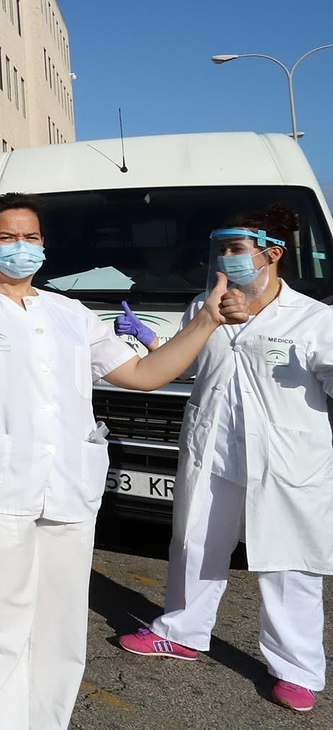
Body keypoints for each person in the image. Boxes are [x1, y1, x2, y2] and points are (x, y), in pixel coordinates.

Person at [0, 192, 243, 729]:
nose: (20, 247)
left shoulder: (71, 313)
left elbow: (146, 374)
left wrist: (207, 321)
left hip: (69, 486)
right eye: (6, 237)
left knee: (59, 624)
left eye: (30, 237)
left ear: (44, 246)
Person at [115, 205, 333, 714]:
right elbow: (186, 362)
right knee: (193, 543)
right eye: (223, 250)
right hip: (212, 449)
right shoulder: (202, 305)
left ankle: (297, 669)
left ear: (271, 254)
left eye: (236, 250)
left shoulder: (314, 319)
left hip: (285, 460)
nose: (225, 260)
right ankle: (182, 632)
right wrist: (151, 341)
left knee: (288, 562)